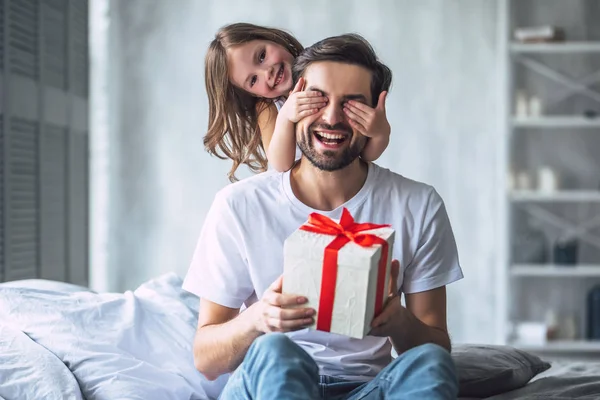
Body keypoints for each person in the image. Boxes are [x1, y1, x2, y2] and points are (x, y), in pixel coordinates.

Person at [183, 33, 464, 399]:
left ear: (375, 111)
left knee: (430, 363)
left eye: (351, 104)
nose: (331, 118)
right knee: (276, 352)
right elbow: (205, 358)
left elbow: (435, 346)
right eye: (317, 100)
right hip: (272, 379)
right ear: (294, 103)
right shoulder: (238, 206)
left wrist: (398, 321)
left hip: (367, 388)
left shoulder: (418, 205)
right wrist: (258, 319)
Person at [204, 22, 390, 181]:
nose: (266, 72)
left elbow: (366, 156)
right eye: (253, 80)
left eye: (262, 56)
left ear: (274, 39)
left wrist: (380, 132)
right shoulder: (270, 109)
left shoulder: (322, 71)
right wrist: (286, 117)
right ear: (249, 93)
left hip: (341, 182)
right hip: (301, 192)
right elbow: (281, 164)